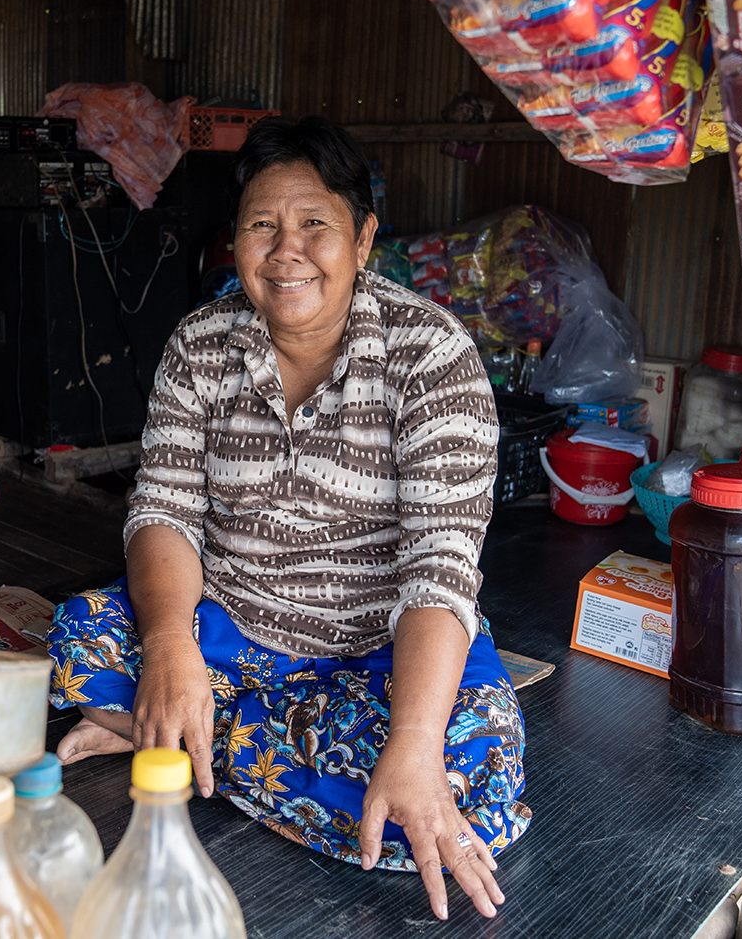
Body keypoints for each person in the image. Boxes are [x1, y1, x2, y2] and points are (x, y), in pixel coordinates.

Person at [47, 115, 528, 921]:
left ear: (364, 238)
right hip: (230, 630)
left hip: (382, 650)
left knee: (468, 788)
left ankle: (179, 739)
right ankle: (208, 724)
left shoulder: (431, 354)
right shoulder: (200, 343)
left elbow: (440, 566)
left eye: (315, 226)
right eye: (262, 226)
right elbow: (162, 508)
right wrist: (169, 645)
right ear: (233, 240)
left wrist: (410, 744)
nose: (286, 251)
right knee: (79, 636)